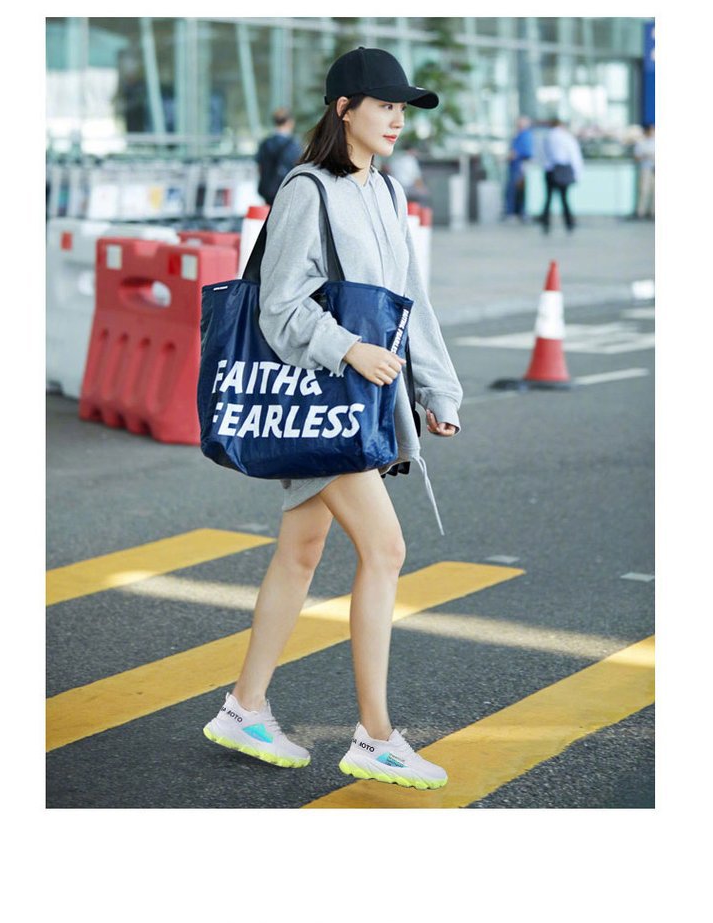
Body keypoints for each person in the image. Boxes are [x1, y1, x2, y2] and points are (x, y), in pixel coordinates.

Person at [203, 47, 463, 791]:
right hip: (323, 400)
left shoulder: (387, 192)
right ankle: (376, 737)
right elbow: (279, 304)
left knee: (301, 553)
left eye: (402, 108)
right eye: (384, 105)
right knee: (386, 548)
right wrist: (347, 348)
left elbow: (410, 302)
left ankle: (244, 706)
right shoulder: (306, 191)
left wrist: (437, 389)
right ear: (344, 109)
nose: (397, 120)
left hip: (354, 403)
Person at [537, 118, 584, 233]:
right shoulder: (566, 137)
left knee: (548, 198)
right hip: (563, 169)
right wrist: (577, 174)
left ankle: (546, 223)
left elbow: (541, 155)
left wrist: (546, 165)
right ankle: (569, 223)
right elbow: (574, 156)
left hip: (550, 170)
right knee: (564, 198)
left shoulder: (547, 137)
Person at [255, 107, 302, 205]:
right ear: (290, 122)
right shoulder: (294, 145)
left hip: (268, 191)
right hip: (287, 190)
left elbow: (260, 168)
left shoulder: (265, 143)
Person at [502, 116, 533, 221]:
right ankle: (518, 212)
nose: (517, 125)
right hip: (517, 166)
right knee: (517, 190)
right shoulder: (520, 135)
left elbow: (516, 153)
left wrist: (504, 159)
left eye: (520, 123)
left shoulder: (524, 136)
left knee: (514, 190)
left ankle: (513, 213)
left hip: (518, 167)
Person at [633, 123, 655, 220]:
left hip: (655, 169)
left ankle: (653, 212)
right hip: (645, 169)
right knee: (644, 190)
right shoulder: (641, 143)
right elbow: (636, 157)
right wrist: (646, 156)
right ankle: (641, 212)